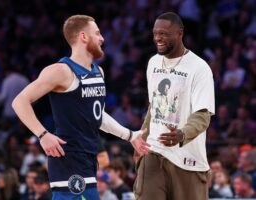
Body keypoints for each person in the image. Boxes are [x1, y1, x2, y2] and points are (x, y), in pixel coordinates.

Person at [12, 15, 150, 200]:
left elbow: (97, 115)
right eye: (98, 33)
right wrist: (43, 135)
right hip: (68, 158)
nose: (102, 38)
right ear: (83, 36)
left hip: (89, 157)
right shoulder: (61, 71)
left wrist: (130, 135)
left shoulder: (98, 71)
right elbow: (19, 102)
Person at [133, 12, 215, 200]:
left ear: (180, 33)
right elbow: (153, 107)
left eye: (164, 33)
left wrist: (181, 134)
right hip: (154, 152)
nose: (158, 38)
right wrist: (141, 140)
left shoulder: (199, 68)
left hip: (188, 158)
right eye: (155, 33)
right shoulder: (153, 62)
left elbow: (203, 115)